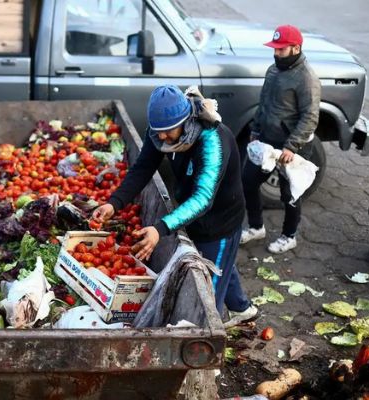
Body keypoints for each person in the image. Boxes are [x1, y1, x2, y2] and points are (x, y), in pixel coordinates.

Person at [92, 85, 256, 325]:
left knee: (207, 293)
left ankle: (209, 339)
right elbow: (143, 168)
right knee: (219, 263)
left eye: (167, 132)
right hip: (190, 213)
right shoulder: (161, 132)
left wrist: (159, 229)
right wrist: (114, 203)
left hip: (218, 222)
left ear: (186, 120)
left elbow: (203, 199)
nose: (161, 138)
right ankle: (242, 308)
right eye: (157, 132)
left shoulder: (213, 142)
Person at [240, 25, 321, 254]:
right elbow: (264, 103)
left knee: (290, 194)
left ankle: (289, 236)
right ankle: (256, 227)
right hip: (266, 141)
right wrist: (255, 129)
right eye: (274, 49)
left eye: (281, 49)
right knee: (248, 181)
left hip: (292, 147)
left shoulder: (307, 78)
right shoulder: (273, 70)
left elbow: (310, 117)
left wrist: (291, 146)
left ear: (296, 48)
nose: (276, 53)